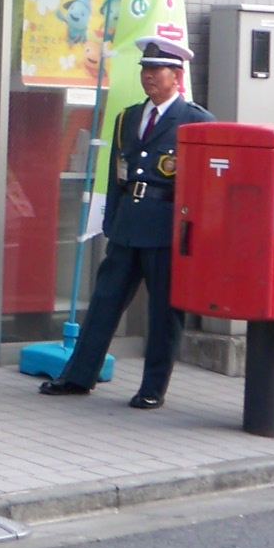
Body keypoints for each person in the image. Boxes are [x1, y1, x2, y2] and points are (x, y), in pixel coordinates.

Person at [39, 37, 211, 409]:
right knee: (103, 303)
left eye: (156, 70)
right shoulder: (128, 117)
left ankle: (153, 388)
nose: (148, 76)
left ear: (176, 75)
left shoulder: (197, 121)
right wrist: (112, 221)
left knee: (164, 313)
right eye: (145, 69)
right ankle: (78, 376)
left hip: (166, 228)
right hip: (128, 225)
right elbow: (118, 173)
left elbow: (204, 188)